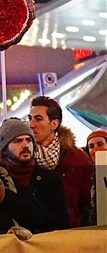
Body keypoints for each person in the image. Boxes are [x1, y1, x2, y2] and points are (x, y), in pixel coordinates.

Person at [29, 96, 94, 227]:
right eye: (30, 118)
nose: (31, 124)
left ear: (54, 124)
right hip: (33, 238)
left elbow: (86, 203)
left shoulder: (79, 159)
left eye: (38, 119)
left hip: (69, 237)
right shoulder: (24, 157)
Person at [0, 118, 68, 232]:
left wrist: (7, 199)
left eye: (29, 140)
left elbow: (60, 223)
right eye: (17, 141)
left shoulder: (51, 180)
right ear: (5, 148)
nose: (25, 145)